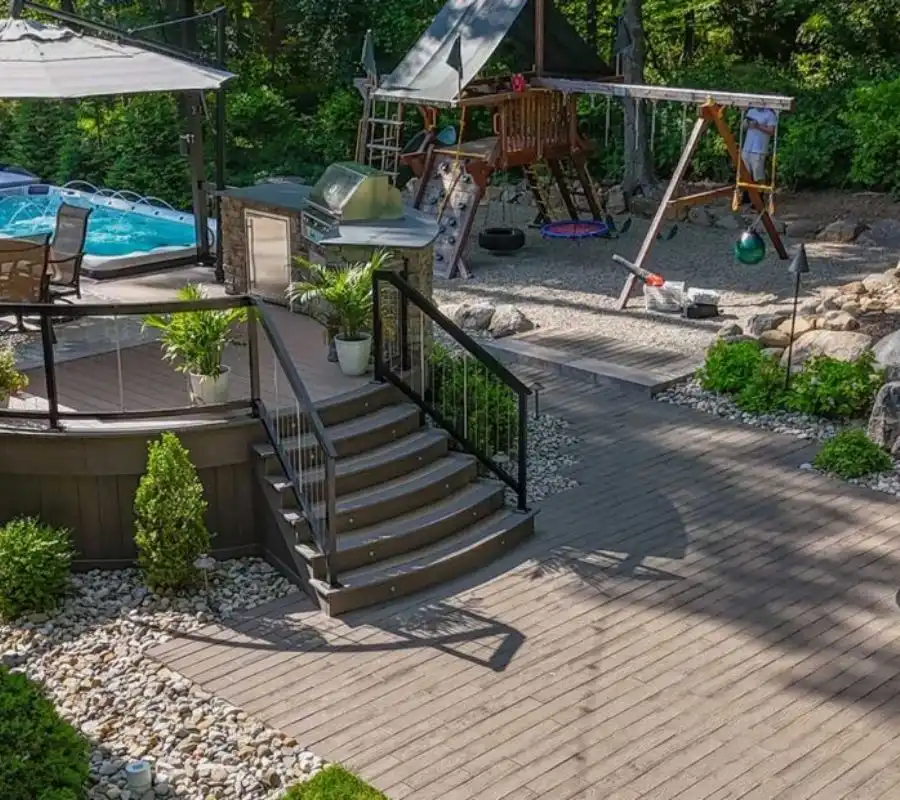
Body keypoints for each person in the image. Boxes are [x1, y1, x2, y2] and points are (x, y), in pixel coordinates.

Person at [741, 106, 777, 205]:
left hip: (759, 148)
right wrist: (747, 123)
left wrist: (758, 126)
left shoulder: (770, 114)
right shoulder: (751, 111)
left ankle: (759, 197)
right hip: (747, 146)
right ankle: (746, 196)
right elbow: (743, 127)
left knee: (758, 173)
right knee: (745, 172)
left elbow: (772, 131)